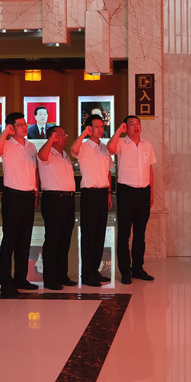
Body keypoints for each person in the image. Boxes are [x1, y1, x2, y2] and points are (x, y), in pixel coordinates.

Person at [0, 112, 39, 297]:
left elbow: (34, 171)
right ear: (11, 127)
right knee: (9, 239)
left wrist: (36, 193)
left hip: (29, 196)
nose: (25, 127)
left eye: (25, 124)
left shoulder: (31, 146)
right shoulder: (7, 145)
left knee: (25, 240)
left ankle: (21, 278)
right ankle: (5, 282)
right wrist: (6, 132)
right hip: (13, 196)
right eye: (20, 125)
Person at [107, 116, 157, 285]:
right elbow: (110, 149)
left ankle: (138, 268)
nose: (136, 127)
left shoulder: (147, 145)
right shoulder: (121, 143)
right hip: (126, 192)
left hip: (144, 192)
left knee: (140, 233)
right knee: (124, 233)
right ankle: (125, 271)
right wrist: (118, 132)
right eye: (131, 124)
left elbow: (150, 169)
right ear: (125, 127)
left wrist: (151, 192)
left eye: (138, 124)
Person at [70, 115, 113, 287]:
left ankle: (95, 270)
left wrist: (108, 194)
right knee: (89, 234)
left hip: (103, 193)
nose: (100, 129)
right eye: (96, 126)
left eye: (102, 126)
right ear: (89, 128)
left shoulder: (105, 148)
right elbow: (73, 150)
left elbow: (108, 173)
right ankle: (87, 273)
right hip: (90, 194)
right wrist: (83, 134)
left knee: (100, 234)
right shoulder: (84, 147)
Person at [37, 126, 77, 290]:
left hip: (68, 199)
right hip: (54, 199)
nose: (64, 136)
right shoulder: (46, 153)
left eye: (64, 133)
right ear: (52, 137)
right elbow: (42, 156)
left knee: (65, 239)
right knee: (53, 239)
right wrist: (50, 140)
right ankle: (50, 278)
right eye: (60, 134)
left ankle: (62, 274)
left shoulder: (65, 155)